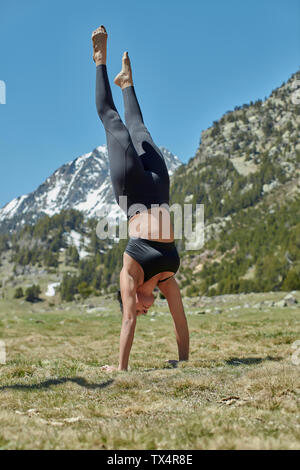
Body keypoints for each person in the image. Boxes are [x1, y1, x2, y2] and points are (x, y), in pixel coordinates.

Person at [92, 25, 189, 371]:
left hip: (131, 189)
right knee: (141, 130)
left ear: (128, 299)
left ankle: (100, 59)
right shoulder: (166, 276)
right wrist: (184, 362)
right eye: (145, 309)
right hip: (159, 189)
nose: (144, 311)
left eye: (136, 307)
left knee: (112, 120)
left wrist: (120, 370)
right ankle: (127, 82)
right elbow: (180, 319)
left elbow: (128, 320)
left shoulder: (130, 275)